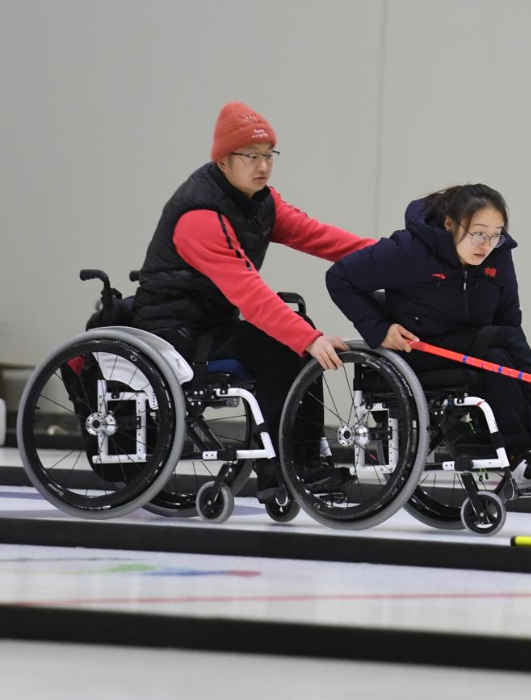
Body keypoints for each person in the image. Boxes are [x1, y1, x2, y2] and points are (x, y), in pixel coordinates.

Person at [131, 101, 375, 502]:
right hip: (174, 332)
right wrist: (308, 338)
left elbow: (322, 237)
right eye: (250, 156)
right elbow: (248, 292)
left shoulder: (260, 201)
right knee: (287, 345)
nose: (263, 166)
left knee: (294, 339)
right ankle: (289, 467)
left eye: (268, 155)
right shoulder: (199, 217)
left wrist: (392, 258)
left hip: (213, 323)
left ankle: (298, 463)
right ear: (223, 161)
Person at [325, 183, 531, 487]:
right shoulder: (408, 250)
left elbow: (508, 320)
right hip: (421, 351)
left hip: (476, 348)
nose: (486, 245)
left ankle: (521, 457)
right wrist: (380, 329)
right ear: (449, 224)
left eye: (495, 234)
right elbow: (339, 278)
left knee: (501, 355)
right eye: (478, 233)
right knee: (502, 345)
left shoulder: (498, 256)